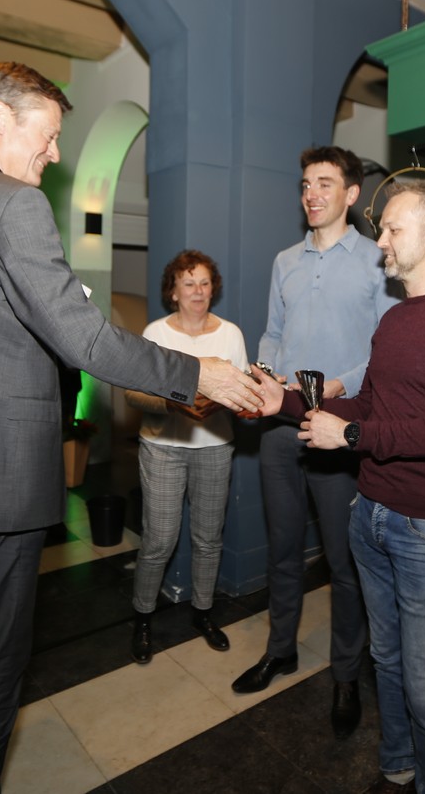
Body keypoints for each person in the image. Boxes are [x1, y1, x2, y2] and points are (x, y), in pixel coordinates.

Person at [0, 62, 262, 794]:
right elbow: (86, 340)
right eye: (46, 136)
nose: (52, 154)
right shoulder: (12, 204)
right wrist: (196, 372)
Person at [250, 177, 425, 794]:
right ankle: (398, 764)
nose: (382, 241)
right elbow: (370, 404)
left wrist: (351, 436)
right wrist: (284, 403)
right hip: (370, 515)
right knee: (385, 661)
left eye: (393, 229)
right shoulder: (394, 320)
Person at [232, 146, 399, 741]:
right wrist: (268, 371)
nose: (312, 193)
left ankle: (346, 675)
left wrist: (338, 384)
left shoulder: (377, 261)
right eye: (306, 183)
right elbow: (272, 333)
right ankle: (281, 650)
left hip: (338, 430)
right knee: (282, 549)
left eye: (325, 183)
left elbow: (387, 348)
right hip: (281, 428)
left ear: (351, 194)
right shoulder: (286, 261)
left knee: (343, 560)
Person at [124, 250, 248, 663]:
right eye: (188, 283)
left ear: (214, 289)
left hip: (215, 447)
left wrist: (244, 398)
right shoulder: (156, 332)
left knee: (208, 538)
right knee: (159, 539)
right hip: (162, 448)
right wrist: (174, 403)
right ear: (173, 291)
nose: (198, 291)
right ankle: (143, 616)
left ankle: (203, 612)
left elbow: (241, 391)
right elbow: (132, 393)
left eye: (205, 283)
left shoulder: (231, 335)